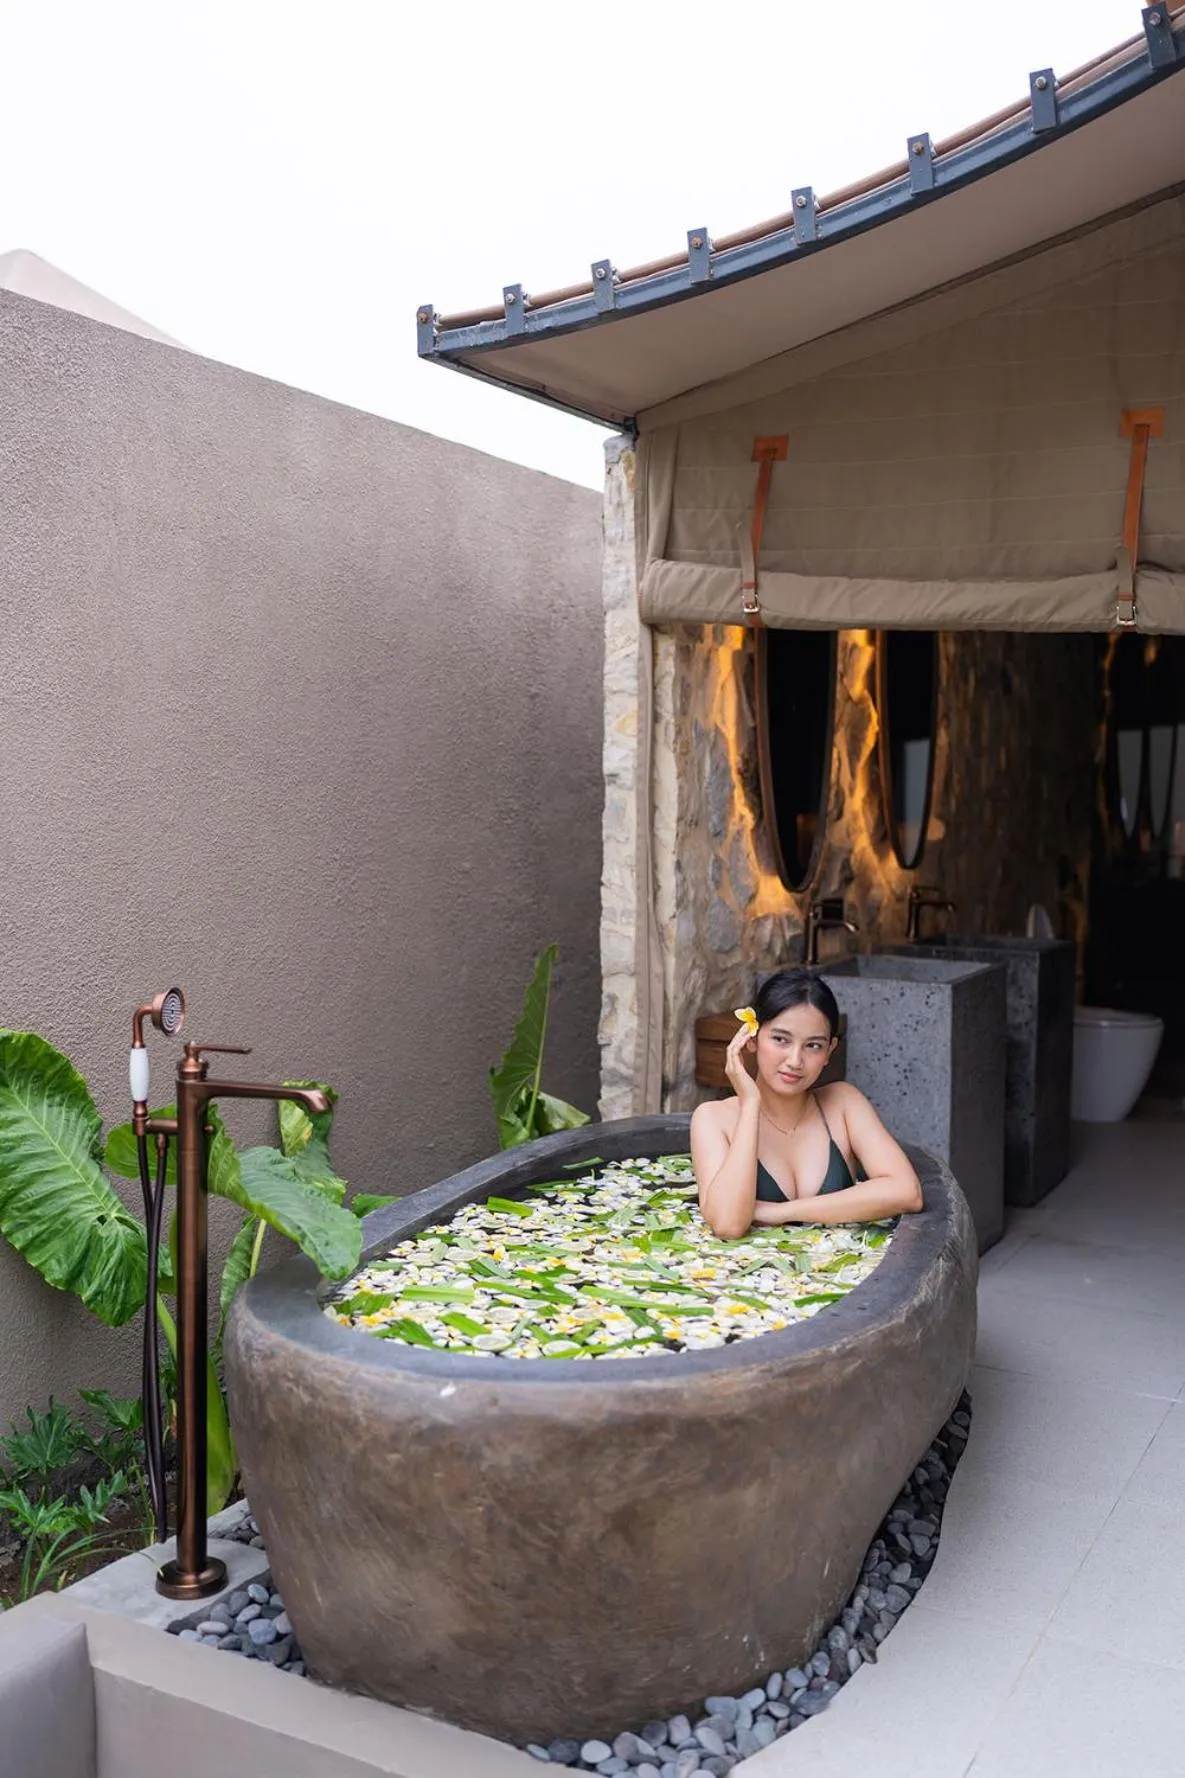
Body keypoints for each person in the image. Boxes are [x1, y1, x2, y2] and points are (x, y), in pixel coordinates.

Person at [690, 967, 923, 1240]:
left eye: (813, 1045)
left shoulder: (843, 1104)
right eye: (781, 1040)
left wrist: (783, 1212)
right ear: (751, 1038)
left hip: (842, 1265)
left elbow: (907, 1192)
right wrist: (750, 1103)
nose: (795, 1061)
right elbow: (728, 1225)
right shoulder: (712, 1118)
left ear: (829, 1051)